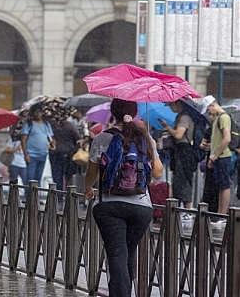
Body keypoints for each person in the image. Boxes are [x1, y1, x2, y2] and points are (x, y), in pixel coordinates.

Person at [84, 98, 163, 297]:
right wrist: (151, 150)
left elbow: (91, 172)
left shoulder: (102, 138)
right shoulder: (145, 138)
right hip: (141, 208)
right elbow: (158, 174)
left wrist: (88, 188)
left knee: (117, 254)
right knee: (128, 253)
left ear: (113, 113)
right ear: (135, 113)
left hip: (110, 205)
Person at [160, 100, 197, 217]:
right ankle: (181, 208)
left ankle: (187, 211)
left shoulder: (185, 117)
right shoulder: (179, 117)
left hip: (184, 151)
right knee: (177, 181)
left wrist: (167, 127)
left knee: (184, 180)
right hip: (178, 152)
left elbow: (178, 135)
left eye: (172, 104)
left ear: (179, 104)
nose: (170, 107)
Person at [200, 95, 232, 222]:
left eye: (208, 110)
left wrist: (215, 155)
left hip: (222, 156)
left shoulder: (223, 117)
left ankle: (222, 215)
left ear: (212, 105)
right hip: (218, 156)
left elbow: (227, 138)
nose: (209, 113)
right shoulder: (219, 118)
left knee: (224, 186)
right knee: (220, 186)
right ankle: (220, 213)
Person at [20, 105, 55, 185]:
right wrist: (26, 155)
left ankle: (35, 196)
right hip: (31, 155)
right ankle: (28, 196)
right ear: (32, 113)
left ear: (42, 113)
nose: (37, 113)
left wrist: (53, 143)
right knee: (30, 178)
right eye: (35, 111)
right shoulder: (28, 124)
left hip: (43, 154)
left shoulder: (46, 124)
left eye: (39, 111)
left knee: (38, 178)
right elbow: (23, 140)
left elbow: (51, 138)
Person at [48, 120, 79, 198]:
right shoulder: (70, 125)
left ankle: (59, 197)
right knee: (68, 176)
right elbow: (77, 138)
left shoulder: (50, 126)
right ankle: (69, 196)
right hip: (68, 153)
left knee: (57, 177)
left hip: (55, 153)